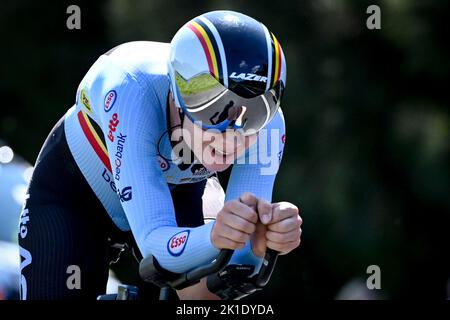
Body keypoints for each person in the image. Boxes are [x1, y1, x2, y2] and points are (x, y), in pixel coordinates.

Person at [18, 10, 302, 300]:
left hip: (181, 192)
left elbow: (237, 269)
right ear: (180, 100)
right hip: (74, 199)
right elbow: (157, 249)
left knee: (208, 296)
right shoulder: (131, 91)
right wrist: (216, 235)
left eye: (256, 112)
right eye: (215, 111)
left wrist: (262, 244)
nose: (233, 135)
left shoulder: (269, 124)